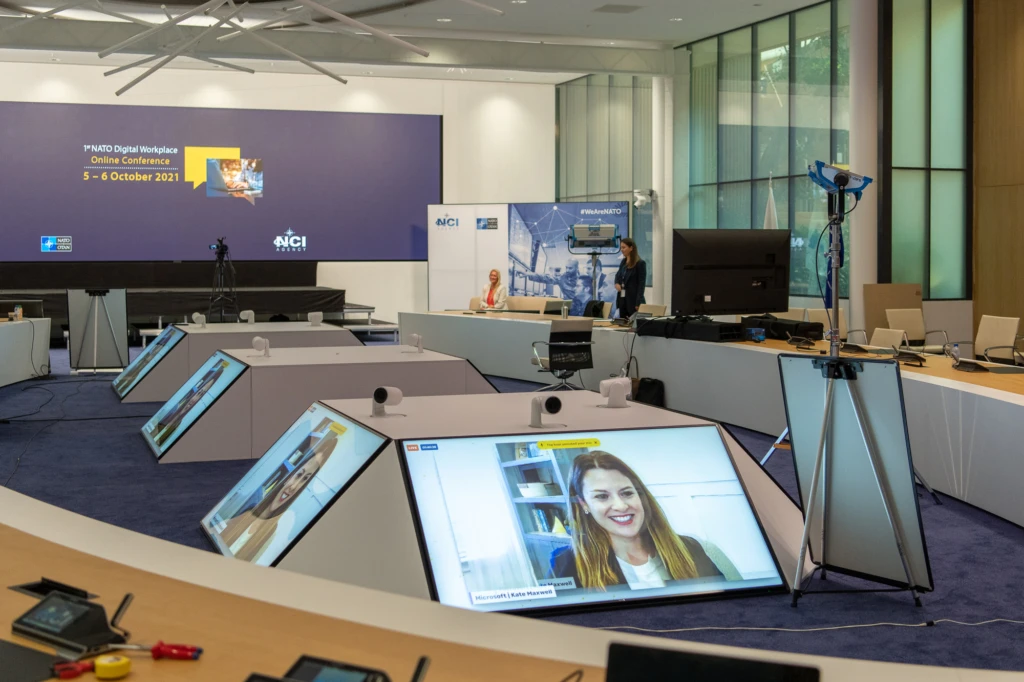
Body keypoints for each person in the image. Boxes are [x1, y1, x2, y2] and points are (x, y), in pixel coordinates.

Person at [551, 451, 726, 590]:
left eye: (627, 493)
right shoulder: (567, 566)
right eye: (602, 496)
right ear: (583, 504)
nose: (620, 506)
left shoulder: (690, 548)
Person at [218, 434, 339, 563]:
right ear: (289, 476)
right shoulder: (248, 503)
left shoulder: (271, 536)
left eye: (305, 480)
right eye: (299, 475)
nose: (294, 486)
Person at [614, 238, 647, 319]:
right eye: (621, 247)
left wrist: (638, 303)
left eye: (624, 247)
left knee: (633, 325)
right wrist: (617, 283)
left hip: (633, 300)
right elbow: (617, 276)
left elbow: (641, 285)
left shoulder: (640, 264)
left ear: (631, 248)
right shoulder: (623, 262)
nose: (622, 250)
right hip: (622, 300)